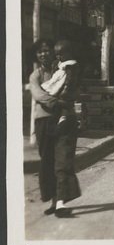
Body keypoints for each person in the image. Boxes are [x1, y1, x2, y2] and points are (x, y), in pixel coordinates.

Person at [28, 39, 81, 217]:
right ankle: (53, 200)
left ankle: (60, 203)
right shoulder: (35, 75)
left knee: (63, 160)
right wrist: (59, 103)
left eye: (47, 50)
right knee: (47, 162)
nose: (44, 54)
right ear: (36, 55)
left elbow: (75, 90)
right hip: (44, 122)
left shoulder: (66, 70)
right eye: (40, 52)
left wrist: (68, 102)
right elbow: (39, 95)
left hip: (65, 121)